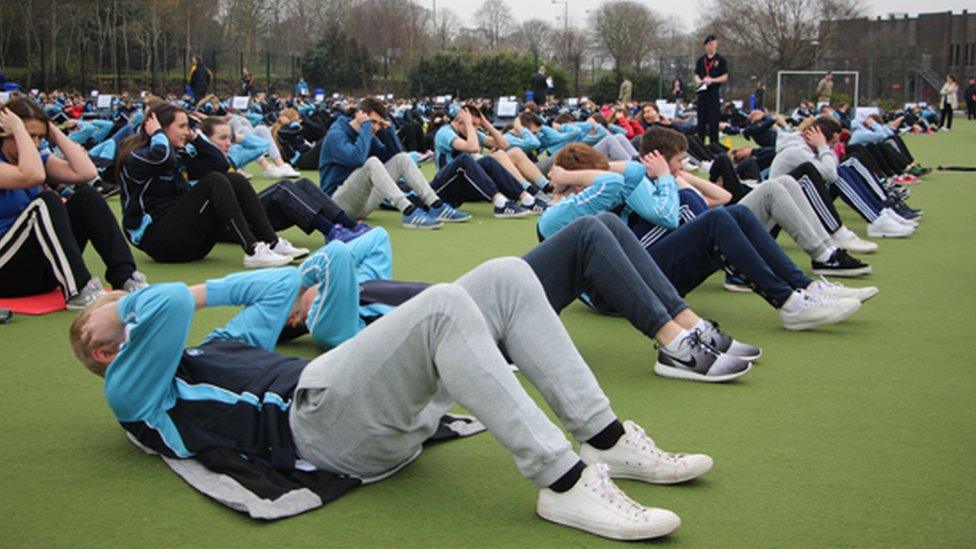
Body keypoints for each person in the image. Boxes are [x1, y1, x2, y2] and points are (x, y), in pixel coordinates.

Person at [70, 261, 722, 541]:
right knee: (440, 306)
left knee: (505, 275)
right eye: (112, 328)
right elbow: (167, 301)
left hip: (349, 403)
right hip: (318, 430)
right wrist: (123, 306)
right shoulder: (134, 393)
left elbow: (282, 282)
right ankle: (563, 480)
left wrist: (152, 303)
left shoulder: (214, 345)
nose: (128, 318)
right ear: (105, 355)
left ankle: (603, 438)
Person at [286, 215, 758, 382]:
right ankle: (674, 347)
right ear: (295, 320)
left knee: (607, 226)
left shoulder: (355, 288)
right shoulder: (333, 323)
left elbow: (378, 240)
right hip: (473, 323)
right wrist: (298, 283)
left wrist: (300, 285)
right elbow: (338, 260)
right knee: (589, 233)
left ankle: (688, 325)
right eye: (287, 297)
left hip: (477, 299)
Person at [0, 101, 145, 307]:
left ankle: (126, 278)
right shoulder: (25, 166)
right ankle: (79, 288)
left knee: (87, 197)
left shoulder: (36, 160)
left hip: (38, 272)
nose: (34, 143)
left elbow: (86, 172)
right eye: (28, 136)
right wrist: (16, 128)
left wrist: (52, 130)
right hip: (5, 270)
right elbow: (32, 175)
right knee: (46, 202)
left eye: (39, 137)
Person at [117, 103, 299, 267]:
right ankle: (252, 250)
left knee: (234, 179)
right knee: (214, 181)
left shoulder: (179, 153)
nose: (186, 131)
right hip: (159, 242)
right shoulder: (137, 155)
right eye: (181, 127)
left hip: (191, 244)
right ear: (162, 128)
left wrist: (196, 138)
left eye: (188, 127)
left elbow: (222, 164)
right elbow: (163, 159)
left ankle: (272, 242)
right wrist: (158, 134)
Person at [319, 98, 469, 228]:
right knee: (372, 163)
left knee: (402, 158)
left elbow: (395, 156)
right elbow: (356, 158)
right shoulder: (336, 135)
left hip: (362, 204)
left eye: (379, 123)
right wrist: (366, 127)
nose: (376, 127)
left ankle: (436, 205)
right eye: (372, 122)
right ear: (359, 115)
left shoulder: (367, 133)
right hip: (336, 204)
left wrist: (388, 130)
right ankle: (409, 212)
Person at [693, 35, 728, 145]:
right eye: (707, 44)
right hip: (702, 94)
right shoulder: (701, 60)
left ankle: (714, 146)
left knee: (713, 122)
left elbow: (725, 76)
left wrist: (712, 80)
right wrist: (699, 80)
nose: (709, 47)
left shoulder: (720, 60)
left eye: (712, 44)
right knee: (701, 123)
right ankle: (700, 145)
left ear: (716, 44)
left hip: (713, 93)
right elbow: (696, 75)